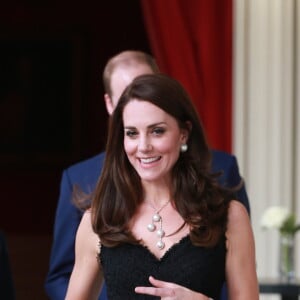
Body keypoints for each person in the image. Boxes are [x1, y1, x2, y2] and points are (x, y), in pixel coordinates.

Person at [45, 50, 250, 300]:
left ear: (183, 133)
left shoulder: (230, 217)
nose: (143, 146)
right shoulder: (98, 220)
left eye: (157, 131)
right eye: (132, 133)